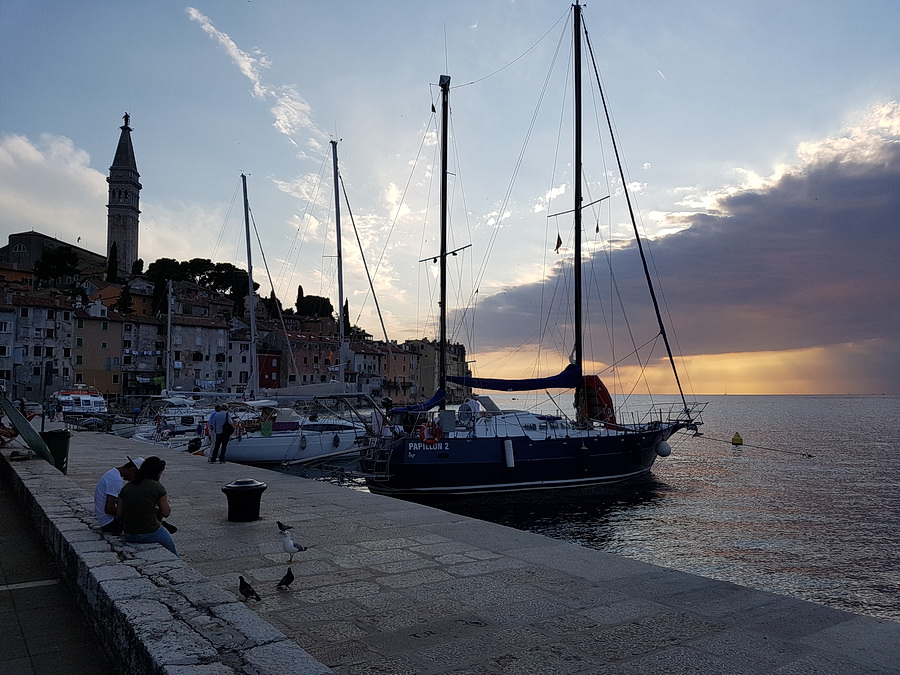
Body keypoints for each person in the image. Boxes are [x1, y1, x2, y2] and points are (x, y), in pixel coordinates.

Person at [117, 455, 178, 556]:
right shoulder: (158, 488)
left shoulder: (126, 487)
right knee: (173, 551)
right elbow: (166, 513)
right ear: (158, 472)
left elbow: (119, 513)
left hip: (129, 534)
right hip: (150, 531)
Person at [94, 456, 144, 534]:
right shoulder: (115, 479)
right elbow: (109, 509)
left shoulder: (113, 473)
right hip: (109, 523)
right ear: (133, 470)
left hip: (103, 520)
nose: (132, 480)